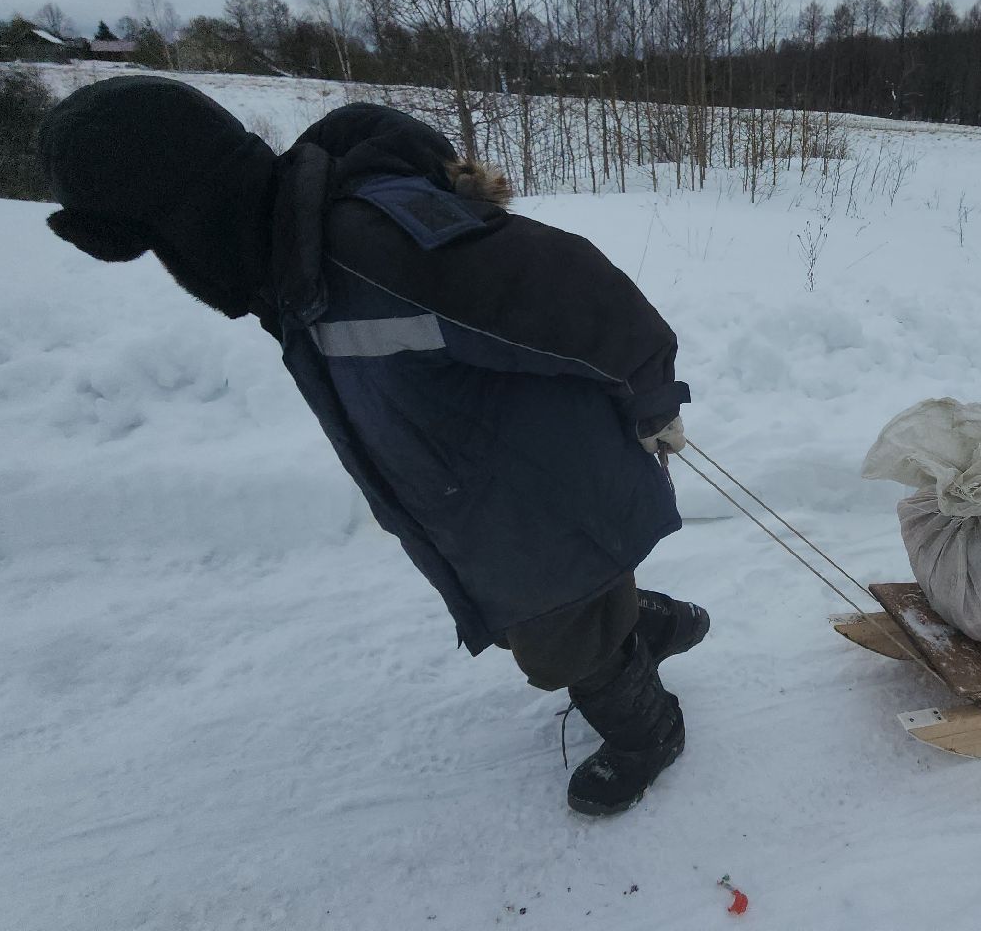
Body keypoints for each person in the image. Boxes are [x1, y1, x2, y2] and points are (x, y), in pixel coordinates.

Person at [37, 76, 707, 816]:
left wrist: (653, 399)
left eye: (162, 247)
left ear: (188, 222)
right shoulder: (296, 266)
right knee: (549, 616)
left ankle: (651, 730)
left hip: (539, 491)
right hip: (484, 499)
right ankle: (646, 626)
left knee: (557, 641)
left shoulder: (371, 248)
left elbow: (578, 290)